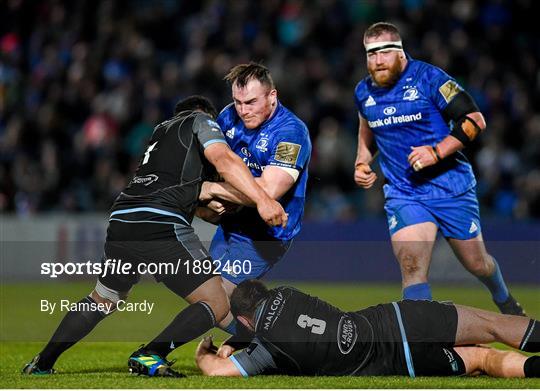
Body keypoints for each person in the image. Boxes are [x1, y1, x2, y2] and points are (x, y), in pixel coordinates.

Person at [22, 96, 288, 377]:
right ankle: (151, 354)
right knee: (216, 303)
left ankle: (42, 363)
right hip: (160, 224)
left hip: (123, 219)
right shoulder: (199, 120)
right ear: (202, 115)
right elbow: (223, 160)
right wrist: (262, 199)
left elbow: (195, 203)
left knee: (103, 298)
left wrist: (209, 197)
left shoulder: (160, 134)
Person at [352, 22, 524, 314]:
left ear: (401, 52)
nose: (377, 60)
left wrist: (436, 152)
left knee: (478, 264)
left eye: (384, 52)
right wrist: (362, 160)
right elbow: (367, 127)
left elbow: (474, 120)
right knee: (411, 264)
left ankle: (504, 299)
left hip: (450, 187)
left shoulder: (429, 78)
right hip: (404, 192)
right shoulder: (363, 91)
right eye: (371, 54)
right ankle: (424, 345)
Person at [195, 280, 540, 378]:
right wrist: (243, 340)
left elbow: (215, 371)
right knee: (495, 325)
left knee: (481, 359)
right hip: (400, 319)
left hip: (406, 362)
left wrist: (205, 353)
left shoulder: (267, 351)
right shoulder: (288, 293)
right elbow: (280, 317)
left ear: (242, 320)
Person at [197, 63, 311, 333]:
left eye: (250, 102)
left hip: (265, 234)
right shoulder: (228, 117)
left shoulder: (291, 132)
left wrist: (211, 190)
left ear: (272, 96)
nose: (243, 110)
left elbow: (269, 191)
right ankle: (261, 344)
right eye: (237, 102)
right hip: (231, 225)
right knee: (203, 292)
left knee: (214, 300)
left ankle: (270, 345)